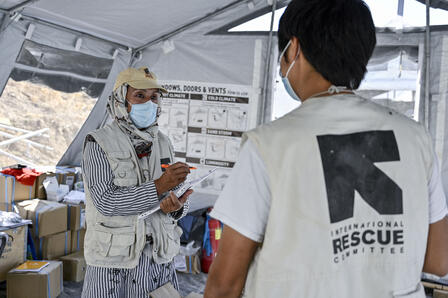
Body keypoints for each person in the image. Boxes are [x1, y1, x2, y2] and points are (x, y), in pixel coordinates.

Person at [204, 0, 448, 297]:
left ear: (293, 49)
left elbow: (224, 284)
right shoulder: (416, 137)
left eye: (282, 55)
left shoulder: (268, 145)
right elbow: (438, 259)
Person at [81, 67, 193, 297]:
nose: (148, 103)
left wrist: (177, 208)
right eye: (139, 96)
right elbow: (106, 202)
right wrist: (160, 186)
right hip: (113, 263)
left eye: (153, 97)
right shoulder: (98, 143)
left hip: (158, 261)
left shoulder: (163, 142)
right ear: (121, 100)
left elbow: (174, 196)